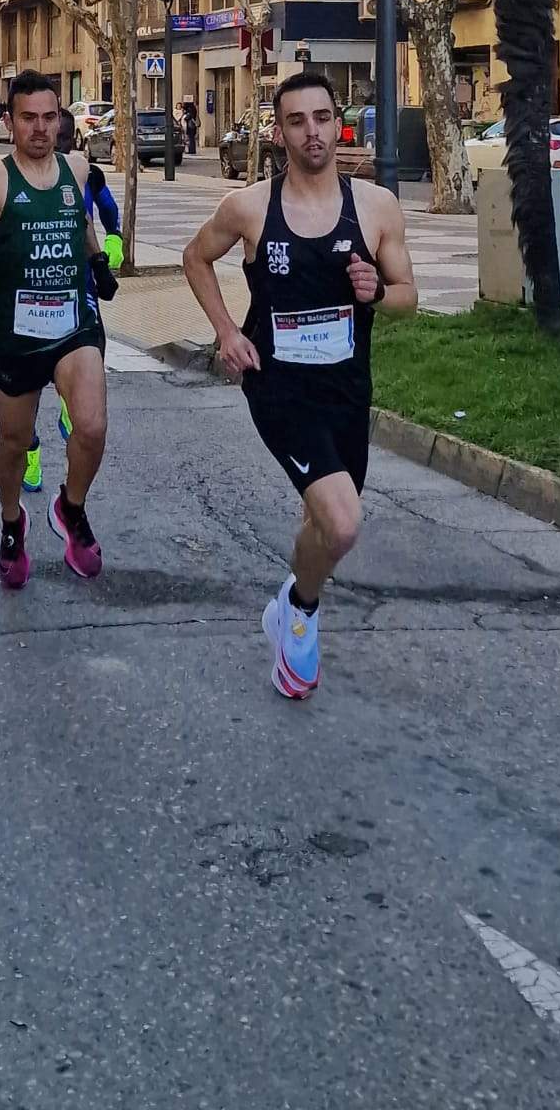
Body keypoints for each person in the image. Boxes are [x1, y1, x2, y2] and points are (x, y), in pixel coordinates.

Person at [182, 71, 418, 702]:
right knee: (342, 523)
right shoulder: (251, 207)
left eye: (321, 117)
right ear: (279, 131)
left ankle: (294, 598)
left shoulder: (375, 208)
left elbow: (407, 297)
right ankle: (304, 611)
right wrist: (227, 333)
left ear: (336, 122)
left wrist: (378, 292)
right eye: (296, 121)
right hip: (279, 387)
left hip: (347, 388)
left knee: (325, 520)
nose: (312, 132)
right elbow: (194, 257)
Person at [0, 70, 109, 589]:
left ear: (61, 119)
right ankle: (12, 521)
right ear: (11, 122)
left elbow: (81, 223)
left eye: (49, 117)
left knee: (93, 426)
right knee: (14, 441)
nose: (41, 128)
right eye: (29, 118)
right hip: (17, 329)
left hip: (72, 323)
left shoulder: (75, 168)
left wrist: (97, 260)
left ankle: (71, 508)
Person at [22, 110, 125, 495]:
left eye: (63, 138)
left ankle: (71, 401)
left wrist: (112, 244)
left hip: (79, 287)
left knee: (92, 348)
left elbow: (110, 212)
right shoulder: (20, 176)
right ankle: (30, 450)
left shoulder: (86, 174)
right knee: (27, 383)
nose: (61, 148)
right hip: (32, 292)